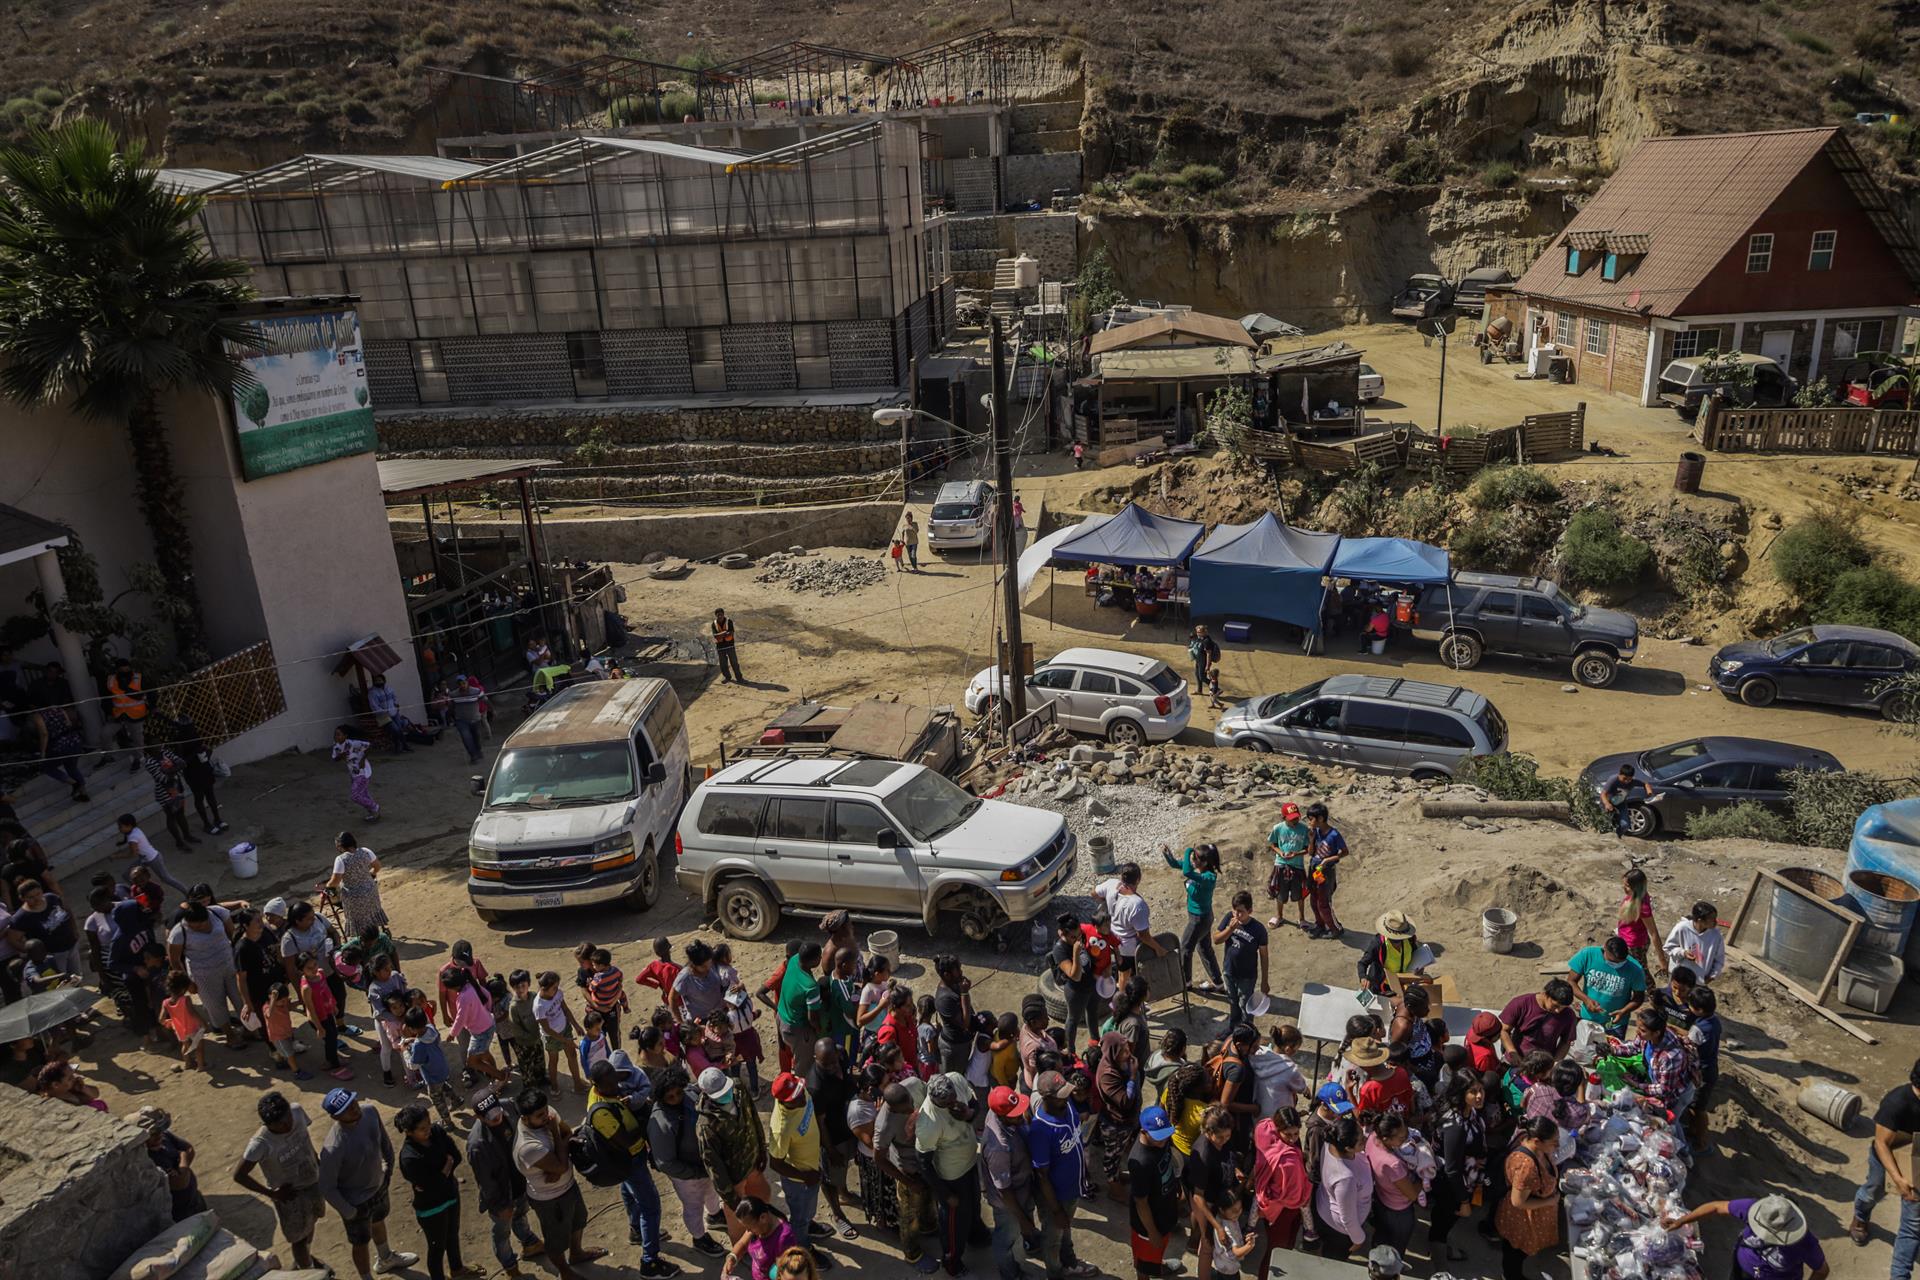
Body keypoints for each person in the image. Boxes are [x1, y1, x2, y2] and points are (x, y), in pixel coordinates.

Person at [317, 1089, 420, 1280]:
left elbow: (385, 1144)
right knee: (360, 1242)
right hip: (355, 1201)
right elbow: (327, 1187)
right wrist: (349, 1211)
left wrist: (387, 1172)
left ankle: (385, 1258)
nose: (354, 1108)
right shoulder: (334, 1147)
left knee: (378, 1221)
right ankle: (366, 1278)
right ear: (335, 1116)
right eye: (347, 1109)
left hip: (378, 1187)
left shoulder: (370, 1112)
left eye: (353, 1102)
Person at [514, 1087, 607, 1278]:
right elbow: (561, 1161)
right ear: (525, 1119)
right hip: (549, 1199)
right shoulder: (528, 1147)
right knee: (555, 1239)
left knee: (578, 1220)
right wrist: (557, 1139)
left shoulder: (548, 1115)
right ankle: (564, 1272)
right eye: (540, 1116)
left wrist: (559, 1161)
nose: (547, 1117)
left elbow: (568, 1135)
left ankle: (576, 1254)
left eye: (546, 1111)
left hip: (568, 1186)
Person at [235, 1092, 327, 1269]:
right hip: (290, 1197)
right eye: (280, 1125)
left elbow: (306, 1141)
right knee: (299, 1239)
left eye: (287, 1119)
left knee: (312, 1222)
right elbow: (239, 1175)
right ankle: (307, 1271)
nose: (287, 1125)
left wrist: (317, 1162)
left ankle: (303, 1260)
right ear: (267, 1124)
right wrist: (273, 1194)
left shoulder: (297, 1112)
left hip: (313, 1181)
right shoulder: (260, 1143)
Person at [649, 1065, 729, 1258]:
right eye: (670, 1096)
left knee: (711, 1191)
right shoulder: (661, 1122)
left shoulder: (690, 1093)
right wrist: (695, 1172)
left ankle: (715, 1215)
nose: (676, 1098)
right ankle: (699, 1238)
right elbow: (665, 1163)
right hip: (687, 1175)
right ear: (661, 1097)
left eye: (678, 1092)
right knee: (693, 1205)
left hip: (705, 1165)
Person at [395, 1103, 481, 1280]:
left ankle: (457, 1269)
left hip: (450, 1195)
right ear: (409, 1132)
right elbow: (431, 1184)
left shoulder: (437, 1132)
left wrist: (442, 1173)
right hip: (431, 1208)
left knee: (452, 1234)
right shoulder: (409, 1157)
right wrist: (446, 1166)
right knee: (436, 1247)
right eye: (422, 1128)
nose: (428, 1130)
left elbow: (456, 1156)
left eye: (428, 1123)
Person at [467, 1090, 545, 1278]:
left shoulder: (508, 1107)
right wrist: (500, 1205)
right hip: (502, 1194)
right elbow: (486, 1182)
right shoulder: (478, 1144)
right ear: (478, 1117)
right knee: (502, 1233)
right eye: (491, 1117)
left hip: (519, 1181)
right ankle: (511, 1268)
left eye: (498, 1112)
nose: (498, 1118)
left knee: (521, 1213)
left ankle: (529, 1242)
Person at [1029, 1070, 1098, 1280]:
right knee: (1052, 1239)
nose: (1068, 1096)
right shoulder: (1041, 1129)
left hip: (1072, 1190)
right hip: (1056, 1198)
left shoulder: (1066, 1106)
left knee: (1065, 1229)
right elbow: (1042, 1175)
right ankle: (1056, 1273)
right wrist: (1056, 1209)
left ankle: (1069, 1262)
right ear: (1048, 1098)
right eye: (1062, 1094)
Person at [1853, 1056, 1920, 1272]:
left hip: (1915, 1155)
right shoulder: (1896, 1102)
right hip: (1887, 1156)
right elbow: (1881, 1143)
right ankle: (1860, 1217)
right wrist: (1898, 1179)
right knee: (1874, 1190)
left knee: (1912, 1221)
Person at [916, 1072, 983, 1276]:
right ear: (936, 1101)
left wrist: (968, 1114)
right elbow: (924, 1164)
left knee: (974, 1205)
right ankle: (952, 1261)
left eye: (954, 1097)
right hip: (952, 1177)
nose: (954, 1103)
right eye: (948, 1102)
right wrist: (946, 1195)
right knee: (954, 1223)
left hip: (971, 1163)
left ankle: (975, 1235)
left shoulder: (956, 1079)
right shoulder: (928, 1124)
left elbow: (976, 1105)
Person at [1666, 1195, 1829, 1280]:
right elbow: (1716, 1207)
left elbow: (1822, 1270)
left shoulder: (1805, 1242)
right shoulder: (1753, 1208)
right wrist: (1681, 1221)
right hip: (1742, 1270)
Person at [697, 1065, 772, 1243]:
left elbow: (753, 1117)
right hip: (734, 1177)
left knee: (764, 1196)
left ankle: (763, 1233)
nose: (726, 1095)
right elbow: (714, 1166)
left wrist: (762, 1150)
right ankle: (742, 1250)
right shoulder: (706, 1125)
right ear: (707, 1095)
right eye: (720, 1094)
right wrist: (731, 1198)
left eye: (726, 1090)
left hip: (753, 1163)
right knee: (738, 1219)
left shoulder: (738, 1088)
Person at [875, 1076, 937, 1273]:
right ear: (893, 1109)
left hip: (926, 1158)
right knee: (909, 1216)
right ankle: (912, 1253)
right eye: (906, 1108)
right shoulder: (884, 1125)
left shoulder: (912, 1084)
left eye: (911, 1102)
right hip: (908, 1168)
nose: (912, 1108)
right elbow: (880, 1159)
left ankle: (929, 1227)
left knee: (928, 1198)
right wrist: (908, 1182)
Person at [981, 1085, 1040, 1280]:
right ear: (1002, 1116)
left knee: (1024, 1225)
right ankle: (1010, 1273)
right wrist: (1023, 1220)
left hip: (1022, 1186)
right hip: (1008, 1202)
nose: (1021, 1115)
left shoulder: (1002, 1113)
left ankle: (1029, 1242)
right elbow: (1004, 1191)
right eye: (1015, 1114)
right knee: (1005, 1238)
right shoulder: (998, 1146)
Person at [1430, 1073, 1490, 1262]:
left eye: (1481, 1090)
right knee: (1444, 1221)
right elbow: (1452, 1170)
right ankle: (1439, 1259)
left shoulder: (1469, 1111)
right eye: (1473, 1092)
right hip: (1452, 1186)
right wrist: (1463, 1202)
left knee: (1442, 1218)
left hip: (1465, 1177)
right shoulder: (1455, 1125)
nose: (1479, 1096)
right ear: (1461, 1093)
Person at [1495, 1116, 1560, 1280]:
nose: (1557, 1145)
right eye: (1554, 1142)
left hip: (1529, 1219)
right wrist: (1549, 1201)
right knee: (1515, 1253)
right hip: (1522, 1222)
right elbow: (1518, 1202)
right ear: (1537, 1141)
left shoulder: (1534, 1147)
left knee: (1515, 1253)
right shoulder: (1527, 1166)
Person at [1250, 1105, 1310, 1274]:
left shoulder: (1264, 1129)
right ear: (1277, 1129)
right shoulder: (1287, 1161)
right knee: (1277, 1251)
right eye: (1288, 1134)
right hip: (1284, 1209)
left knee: (1274, 1245)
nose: (1292, 1139)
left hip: (1268, 1205)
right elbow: (1295, 1193)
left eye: (1296, 1133)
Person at [1162, 843, 1223, 994]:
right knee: (1204, 949)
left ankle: (1186, 982)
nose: (1192, 861)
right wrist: (1167, 854)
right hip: (1199, 917)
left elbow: (1187, 871)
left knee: (1185, 949)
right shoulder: (1197, 868)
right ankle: (1218, 983)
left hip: (1199, 919)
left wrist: (1189, 849)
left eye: (1195, 859)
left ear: (1205, 862)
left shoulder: (1209, 877)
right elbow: (1176, 864)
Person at [1312, 1115, 1373, 1261]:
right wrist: (1359, 1239)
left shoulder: (1331, 1143)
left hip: (1324, 1205)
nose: (1365, 1139)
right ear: (1348, 1148)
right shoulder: (1345, 1178)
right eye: (1360, 1140)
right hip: (1338, 1230)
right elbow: (1348, 1217)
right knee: (1333, 1262)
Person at [1211, 891, 1270, 1032]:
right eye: (1234, 910)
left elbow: (1264, 956)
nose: (1236, 915)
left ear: (1250, 911)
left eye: (1240, 912)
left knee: (1245, 1006)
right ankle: (1233, 1028)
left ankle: (1247, 1033)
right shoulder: (1229, 919)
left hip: (1247, 976)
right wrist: (1230, 929)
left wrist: (1264, 981)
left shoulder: (1258, 929)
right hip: (1229, 970)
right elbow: (1216, 939)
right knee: (1233, 1002)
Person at [136, 1107, 207, 1222]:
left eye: (160, 1130)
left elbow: (189, 1149)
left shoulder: (165, 1136)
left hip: (194, 1199)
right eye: (153, 1133)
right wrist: (183, 1158)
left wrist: (182, 1170)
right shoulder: (145, 1159)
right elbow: (180, 1183)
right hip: (178, 1213)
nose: (159, 1135)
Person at [1567, 936, 1648, 1034]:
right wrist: (1586, 1000)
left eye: (1620, 962)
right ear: (1604, 949)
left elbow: (1639, 997)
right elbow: (1571, 981)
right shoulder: (1588, 955)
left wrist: (1624, 1011)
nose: (1615, 964)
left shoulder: (1635, 969)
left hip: (1615, 1024)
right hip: (1588, 1018)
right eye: (1612, 961)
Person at [1367, 1111, 1420, 1254]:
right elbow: (1413, 1195)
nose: (1406, 1139)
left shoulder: (1372, 1137)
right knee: (1396, 1246)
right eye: (1401, 1138)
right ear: (1386, 1138)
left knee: (1381, 1235)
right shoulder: (1392, 1164)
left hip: (1380, 1198)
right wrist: (1423, 1178)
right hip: (1399, 1212)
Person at [1095, 863, 1168, 964]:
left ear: (1122, 877)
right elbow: (1143, 936)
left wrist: (1106, 903)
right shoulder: (1137, 905)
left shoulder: (1111, 884)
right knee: (1133, 975)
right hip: (1129, 949)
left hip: (1113, 940)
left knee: (1121, 971)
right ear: (1138, 880)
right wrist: (1158, 949)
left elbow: (1094, 893)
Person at [779, 942, 826, 1077]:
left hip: (782, 1016)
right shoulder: (811, 987)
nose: (821, 958)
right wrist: (819, 1032)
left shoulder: (794, 960)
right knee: (804, 1065)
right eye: (819, 957)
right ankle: (802, 1090)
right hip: (796, 1028)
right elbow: (812, 1018)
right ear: (813, 961)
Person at [1499, 980, 1578, 1061]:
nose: (1558, 1011)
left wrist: (1555, 1063)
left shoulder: (1568, 1015)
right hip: (1516, 1059)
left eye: (1563, 1007)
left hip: (1543, 1065)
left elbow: (1566, 1042)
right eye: (1555, 1006)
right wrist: (1512, 1053)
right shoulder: (1521, 1003)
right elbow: (1503, 1030)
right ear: (1545, 995)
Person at [328, 833, 389, 937]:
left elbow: (335, 881)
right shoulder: (366, 851)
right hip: (370, 890)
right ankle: (376, 932)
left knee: (358, 918)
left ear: (340, 846)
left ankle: (362, 937)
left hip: (353, 896)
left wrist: (328, 886)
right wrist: (372, 874)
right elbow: (377, 866)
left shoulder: (341, 859)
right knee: (372, 912)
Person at [114, 813, 190, 896]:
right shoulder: (135, 830)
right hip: (145, 859)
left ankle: (188, 893)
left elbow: (132, 854)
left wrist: (116, 856)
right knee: (127, 875)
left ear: (129, 825)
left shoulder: (133, 837)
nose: (119, 829)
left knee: (166, 879)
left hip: (153, 859)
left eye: (121, 826)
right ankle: (142, 893)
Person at [1303, 804, 1348, 938]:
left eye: (1311, 819)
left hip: (1326, 872)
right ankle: (1320, 924)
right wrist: (1311, 840)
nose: (1310, 822)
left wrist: (1328, 860)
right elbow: (1311, 852)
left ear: (1320, 819)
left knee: (1323, 902)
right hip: (1314, 870)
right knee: (1313, 899)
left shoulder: (1334, 834)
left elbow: (1345, 852)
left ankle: (1335, 928)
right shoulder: (1315, 833)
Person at [143, 748, 198, 851]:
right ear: (149, 748)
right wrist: (176, 769)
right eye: (154, 744)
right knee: (171, 816)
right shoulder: (149, 762)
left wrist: (169, 771)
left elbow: (182, 763)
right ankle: (179, 842)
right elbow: (162, 779)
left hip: (176, 788)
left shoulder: (165, 752)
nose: (157, 746)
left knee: (180, 813)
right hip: (165, 793)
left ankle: (187, 836)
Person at [1266, 802, 1311, 928]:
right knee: (1280, 893)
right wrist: (1281, 852)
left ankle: (1302, 918)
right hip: (1281, 864)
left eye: (1296, 818)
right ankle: (1279, 916)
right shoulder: (1278, 828)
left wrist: (1296, 854)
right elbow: (1272, 844)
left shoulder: (1304, 829)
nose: (1295, 821)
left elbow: (1308, 848)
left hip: (1297, 866)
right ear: (1284, 817)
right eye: (1291, 819)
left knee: (1300, 894)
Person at [1664, 900, 1726, 983]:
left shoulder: (1716, 935)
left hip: (1699, 980)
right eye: (1712, 919)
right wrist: (1683, 953)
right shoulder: (1682, 928)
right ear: (1700, 920)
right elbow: (1668, 947)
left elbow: (1719, 958)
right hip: (1679, 978)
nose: (1715, 922)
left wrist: (1712, 975)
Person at [1618, 868, 1662, 976]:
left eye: (1627, 886)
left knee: (1640, 971)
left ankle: (1650, 991)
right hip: (1628, 938)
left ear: (1636, 887)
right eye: (1624, 884)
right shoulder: (1636, 896)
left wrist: (1662, 959)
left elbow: (1654, 933)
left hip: (1634, 945)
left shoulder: (1642, 907)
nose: (1624, 888)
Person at [107, 659, 149, 771]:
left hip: (135, 714)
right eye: (122, 668)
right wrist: (109, 713)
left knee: (137, 739)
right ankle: (108, 757)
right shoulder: (111, 680)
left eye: (127, 667)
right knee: (105, 734)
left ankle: (138, 759)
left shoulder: (138, 677)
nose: (125, 670)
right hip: (118, 715)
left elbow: (143, 695)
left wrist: (127, 689)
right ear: (117, 670)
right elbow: (105, 697)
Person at [332, 726, 380, 821]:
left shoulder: (354, 743)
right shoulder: (336, 746)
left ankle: (375, 807)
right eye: (335, 734)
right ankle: (374, 813)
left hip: (362, 772)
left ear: (345, 736)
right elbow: (334, 758)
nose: (336, 737)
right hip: (353, 774)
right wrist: (340, 756)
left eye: (339, 734)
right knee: (363, 794)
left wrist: (363, 759)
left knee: (355, 796)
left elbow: (369, 746)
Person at [1600, 764, 1656, 836]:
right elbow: (1603, 794)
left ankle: (1618, 835)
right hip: (1608, 803)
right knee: (1605, 824)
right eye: (1624, 778)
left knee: (1625, 825)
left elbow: (1645, 784)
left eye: (1629, 779)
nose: (1626, 781)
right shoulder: (1613, 780)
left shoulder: (1633, 781)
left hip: (1621, 803)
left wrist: (1649, 793)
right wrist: (1607, 804)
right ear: (1619, 774)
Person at [367, 673, 412, 754]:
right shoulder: (372, 693)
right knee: (395, 730)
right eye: (376, 681)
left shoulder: (390, 689)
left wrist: (396, 705)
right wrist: (383, 711)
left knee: (399, 729)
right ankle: (400, 745)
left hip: (394, 713)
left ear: (384, 680)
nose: (378, 682)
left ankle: (402, 746)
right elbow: (374, 706)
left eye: (380, 680)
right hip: (383, 716)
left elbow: (395, 698)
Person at [713, 609, 744, 683]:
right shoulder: (713, 624)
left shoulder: (729, 621)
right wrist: (725, 633)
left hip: (730, 646)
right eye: (718, 615)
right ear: (716, 616)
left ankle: (739, 678)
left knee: (734, 663)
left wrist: (720, 635)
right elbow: (715, 636)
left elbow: (731, 633)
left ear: (723, 614)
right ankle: (727, 677)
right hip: (720, 647)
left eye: (721, 614)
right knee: (723, 664)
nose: (720, 616)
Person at [1188, 626, 1220, 693]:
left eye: (1199, 632)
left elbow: (1209, 654)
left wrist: (1207, 666)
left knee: (1202, 677)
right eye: (1197, 632)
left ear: (1204, 632)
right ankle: (1199, 690)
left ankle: (1216, 689)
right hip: (1198, 660)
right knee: (1197, 675)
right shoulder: (1201, 638)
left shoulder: (1207, 641)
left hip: (1204, 661)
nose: (1198, 634)